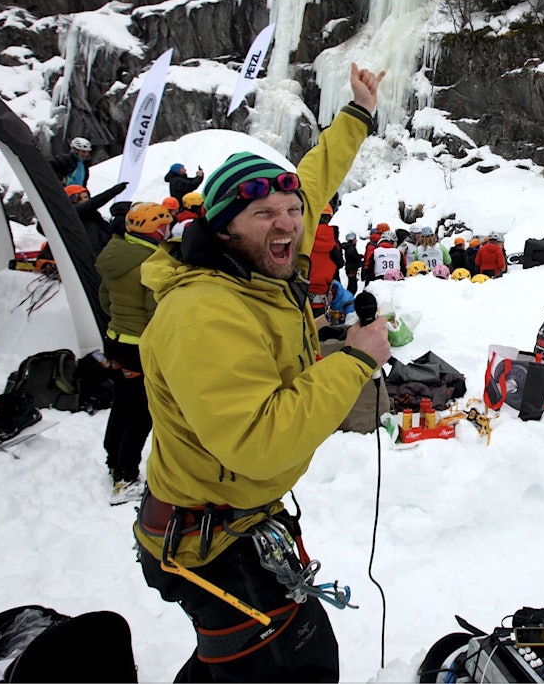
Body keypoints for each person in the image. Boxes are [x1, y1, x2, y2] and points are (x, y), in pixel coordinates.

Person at [133, 63, 393, 682]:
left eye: (290, 212)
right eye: (265, 215)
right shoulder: (205, 312)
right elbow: (258, 439)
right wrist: (355, 360)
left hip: (234, 516)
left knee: (235, 667)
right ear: (223, 227)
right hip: (210, 540)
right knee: (298, 667)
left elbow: (313, 181)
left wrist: (356, 114)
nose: (287, 223)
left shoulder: (260, 264)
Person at [96, 202, 173, 505]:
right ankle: (125, 476)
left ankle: (113, 457)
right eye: (164, 226)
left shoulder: (116, 253)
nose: (167, 230)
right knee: (141, 412)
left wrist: (119, 321)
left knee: (123, 402)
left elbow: (104, 298)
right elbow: (155, 310)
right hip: (138, 345)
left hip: (115, 338)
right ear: (154, 228)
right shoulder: (149, 261)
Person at [65, 181, 128, 255]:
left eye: (86, 197)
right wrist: (114, 191)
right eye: (79, 199)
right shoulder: (71, 213)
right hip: (88, 256)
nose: (85, 200)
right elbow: (92, 203)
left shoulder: (95, 217)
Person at [308, 204, 341, 319]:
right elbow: (339, 263)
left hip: (301, 288)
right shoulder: (333, 241)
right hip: (322, 292)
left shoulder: (305, 237)